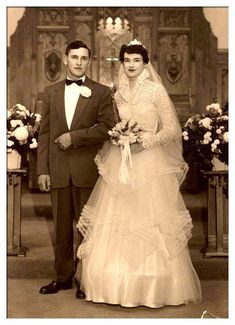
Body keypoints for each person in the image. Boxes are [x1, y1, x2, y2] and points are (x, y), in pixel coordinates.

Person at [75, 40, 202, 308]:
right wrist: (119, 137)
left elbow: (171, 130)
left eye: (136, 61)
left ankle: (153, 285)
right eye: (127, 61)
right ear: (122, 63)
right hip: (122, 162)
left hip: (149, 163)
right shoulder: (118, 93)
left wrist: (143, 142)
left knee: (148, 218)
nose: (131, 65)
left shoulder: (156, 91)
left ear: (145, 63)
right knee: (117, 218)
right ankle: (113, 285)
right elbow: (112, 124)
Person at [37, 40, 116, 296]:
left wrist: (75, 137)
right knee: (61, 228)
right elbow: (45, 134)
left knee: (86, 227)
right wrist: (42, 170)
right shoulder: (50, 92)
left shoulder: (102, 92)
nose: (79, 62)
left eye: (83, 58)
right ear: (65, 58)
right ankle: (62, 277)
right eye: (74, 57)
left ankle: (85, 279)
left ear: (89, 61)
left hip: (87, 170)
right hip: (58, 169)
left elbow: (107, 128)